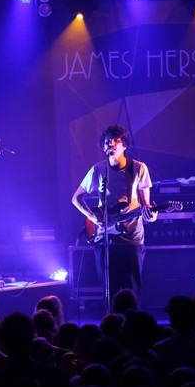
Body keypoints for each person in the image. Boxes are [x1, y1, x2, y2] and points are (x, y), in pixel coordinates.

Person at [71, 125, 158, 302]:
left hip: (132, 239)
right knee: (109, 294)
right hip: (105, 239)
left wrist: (152, 215)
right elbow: (76, 198)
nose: (110, 143)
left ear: (124, 145)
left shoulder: (139, 168)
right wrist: (92, 216)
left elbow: (146, 205)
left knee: (132, 293)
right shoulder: (98, 170)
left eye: (115, 140)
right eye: (106, 141)